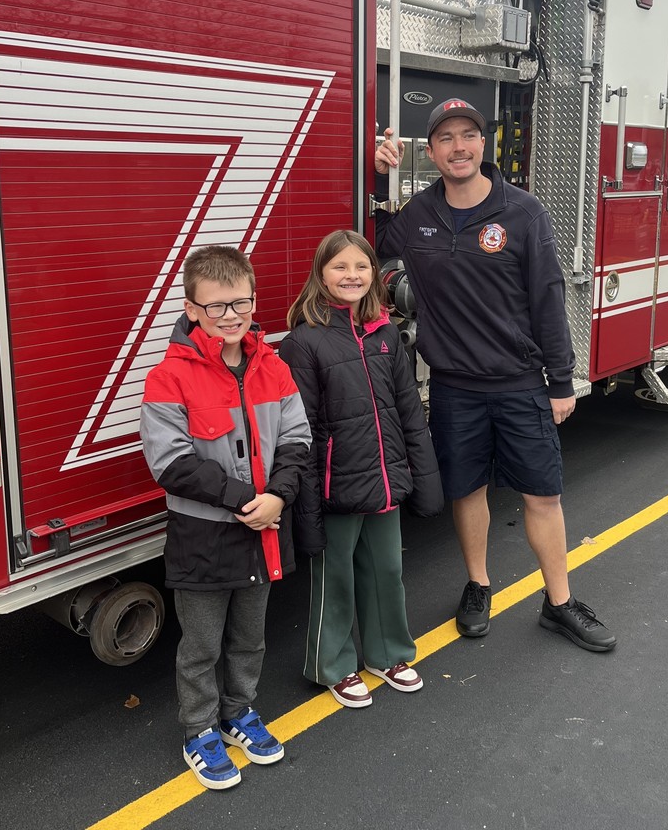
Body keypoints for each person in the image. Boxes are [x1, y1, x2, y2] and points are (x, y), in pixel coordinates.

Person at [373, 98, 616, 652]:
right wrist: (376, 172)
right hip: (455, 387)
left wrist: (561, 380)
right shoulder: (418, 217)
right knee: (467, 491)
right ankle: (478, 585)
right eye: (446, 138)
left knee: (542, 495)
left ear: (484, 144)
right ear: (430, 151)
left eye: (468, 135)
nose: (458, 147)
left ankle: (560, 603)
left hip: (521, 383)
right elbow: (369, 239)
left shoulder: (524, 212)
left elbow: (548, 298)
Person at [140, 245, 311, 790]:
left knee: (250, 637)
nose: (231, 315)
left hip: (264, 531)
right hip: (204, 539)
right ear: (191, 309)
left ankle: (239, 712)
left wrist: (279, 498)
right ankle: (199, 730)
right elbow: (171, 463)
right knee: (201, 645)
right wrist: (247, 501)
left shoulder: (274, 366)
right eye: (216, 306)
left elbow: (298, 441)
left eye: (241, 302)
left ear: (254, 300)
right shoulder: (169, 378)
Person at [279, 230, 444, 708]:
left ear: (374, 274)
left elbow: (408, 409)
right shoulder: (304, 343)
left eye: (361, 267)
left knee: (387, 570)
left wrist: (423, 477)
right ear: (320, 274)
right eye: (339, 267)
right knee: (336, 579)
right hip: (336, 486)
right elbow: (300, 431)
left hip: (385, 479)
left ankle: (387, 653)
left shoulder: (385, 333)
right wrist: (306, 502)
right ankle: (332, 664)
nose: (351, 275)